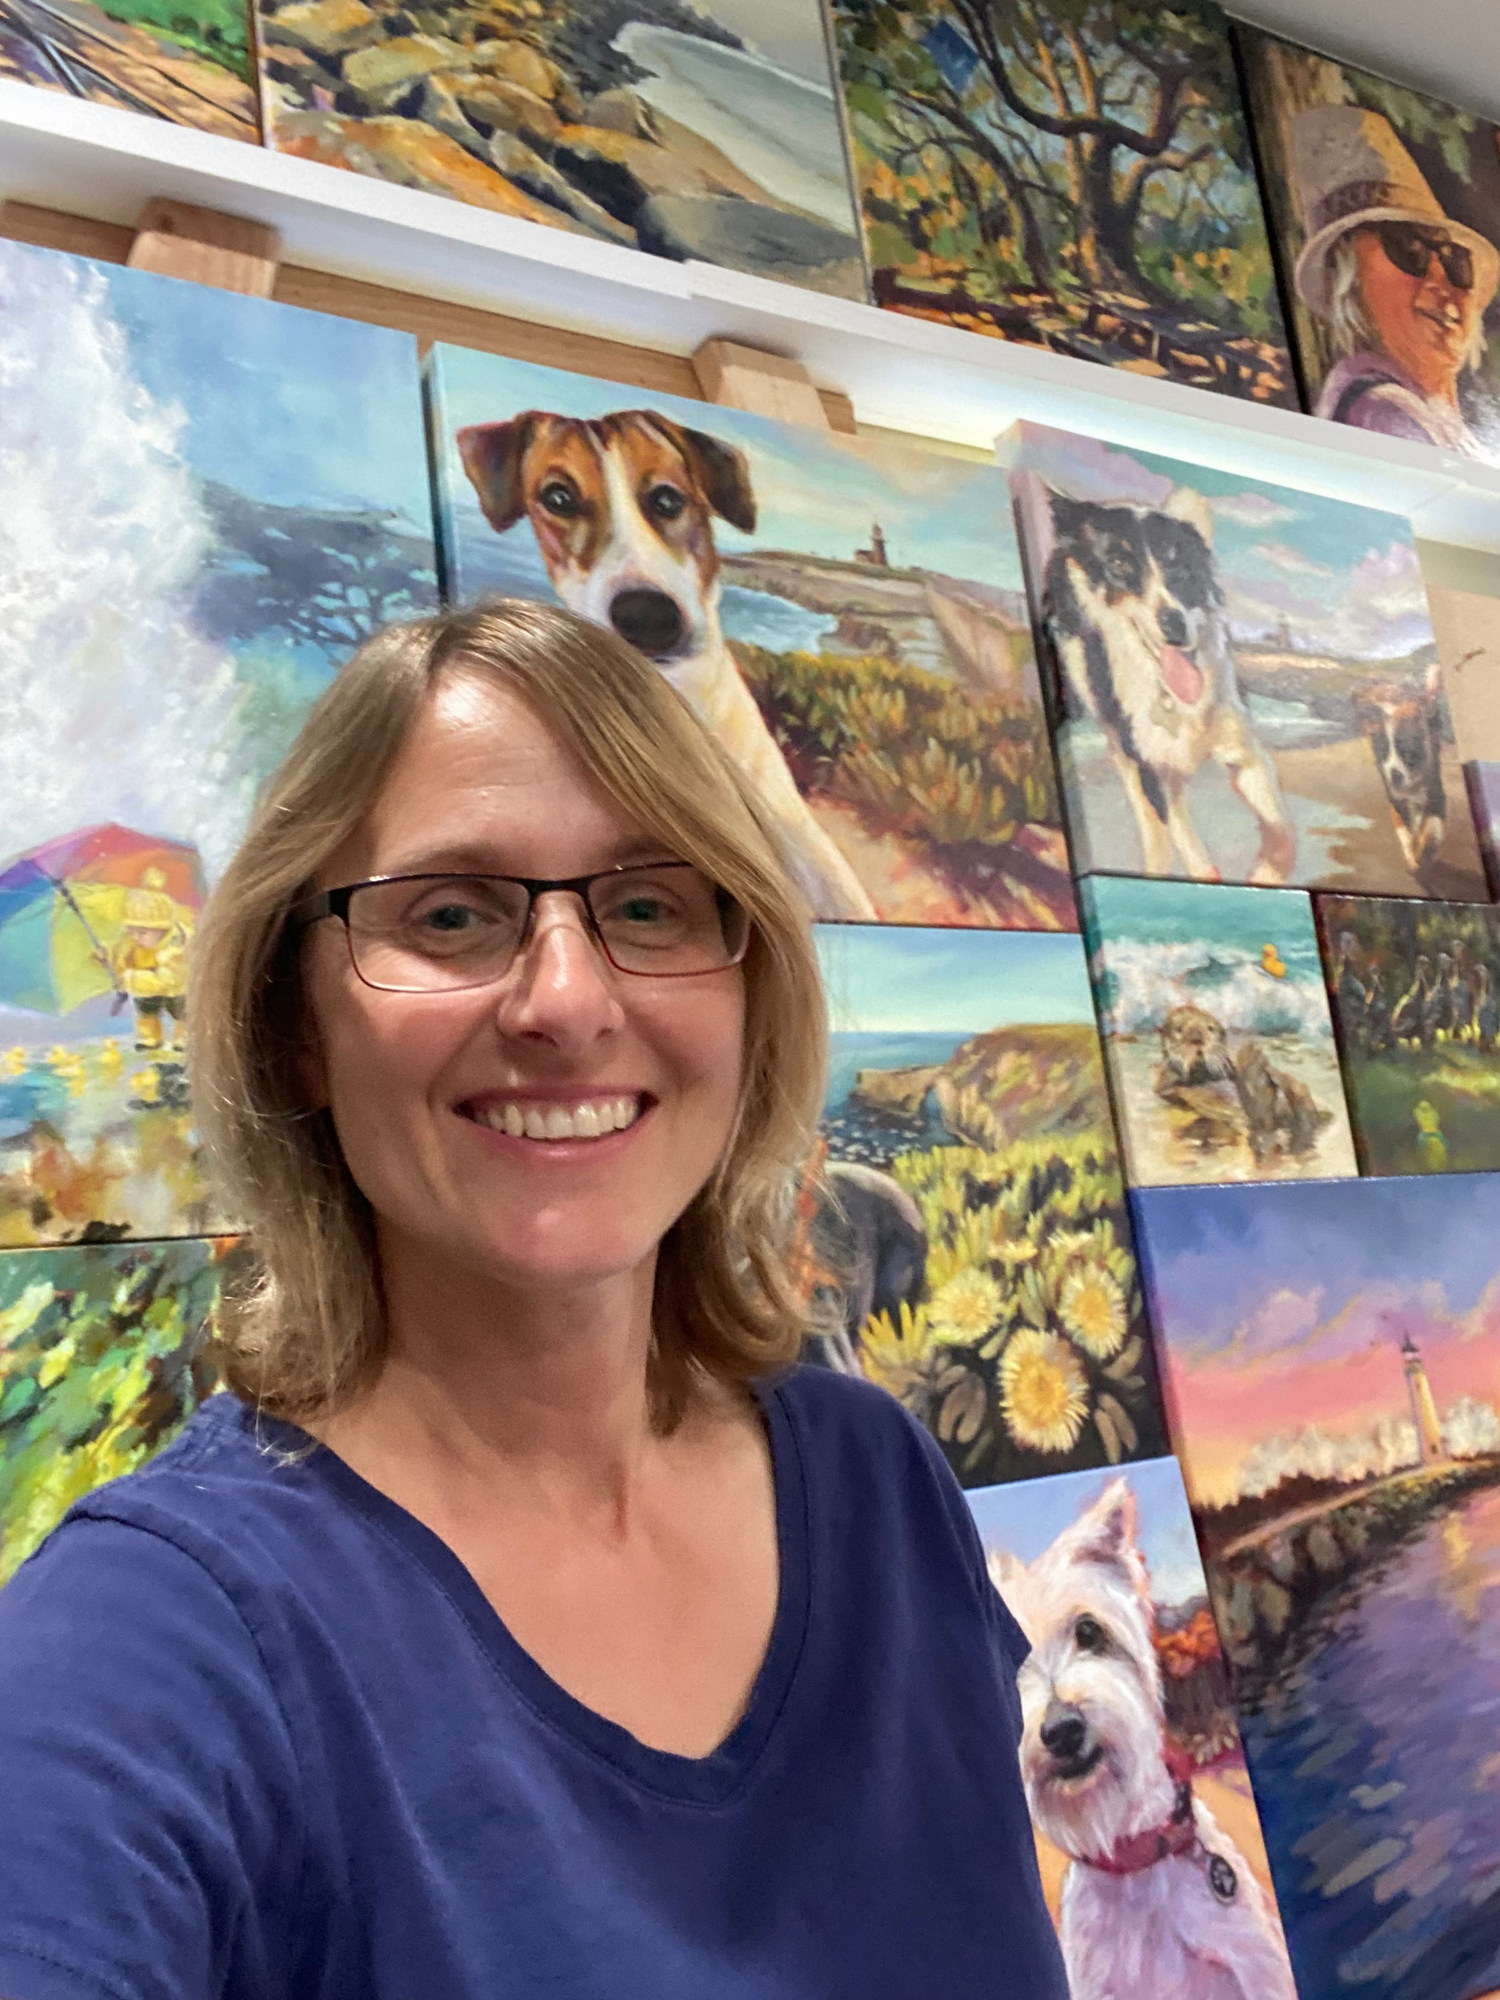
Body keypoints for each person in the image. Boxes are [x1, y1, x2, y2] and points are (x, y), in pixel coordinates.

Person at [0, 600, 1067, 1999]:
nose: (566, 1000)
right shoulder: (157, 1644)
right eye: (452, 914)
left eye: (647, 907)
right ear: (293, 1028)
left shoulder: (878, 1484)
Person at [1291, 103, 1499, 452]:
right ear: (1347, 278)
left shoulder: (1434, 414)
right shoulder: (1381, 412)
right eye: (1408, 249)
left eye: (1455, 262)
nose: (1442, 284)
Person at [107, 864, 193, 1054]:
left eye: (142, 932)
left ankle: (183, 1037)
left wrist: (133, 978)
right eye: (131, 931)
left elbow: (166, 981)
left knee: (181, 1012)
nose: (135, 937)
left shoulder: (176, 949)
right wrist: (107, 961)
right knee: (146, 1010)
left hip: (174, 988)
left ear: (162, 930)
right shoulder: (131, 946)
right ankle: (149, 1037)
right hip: (145, 987)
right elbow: (122, 964)